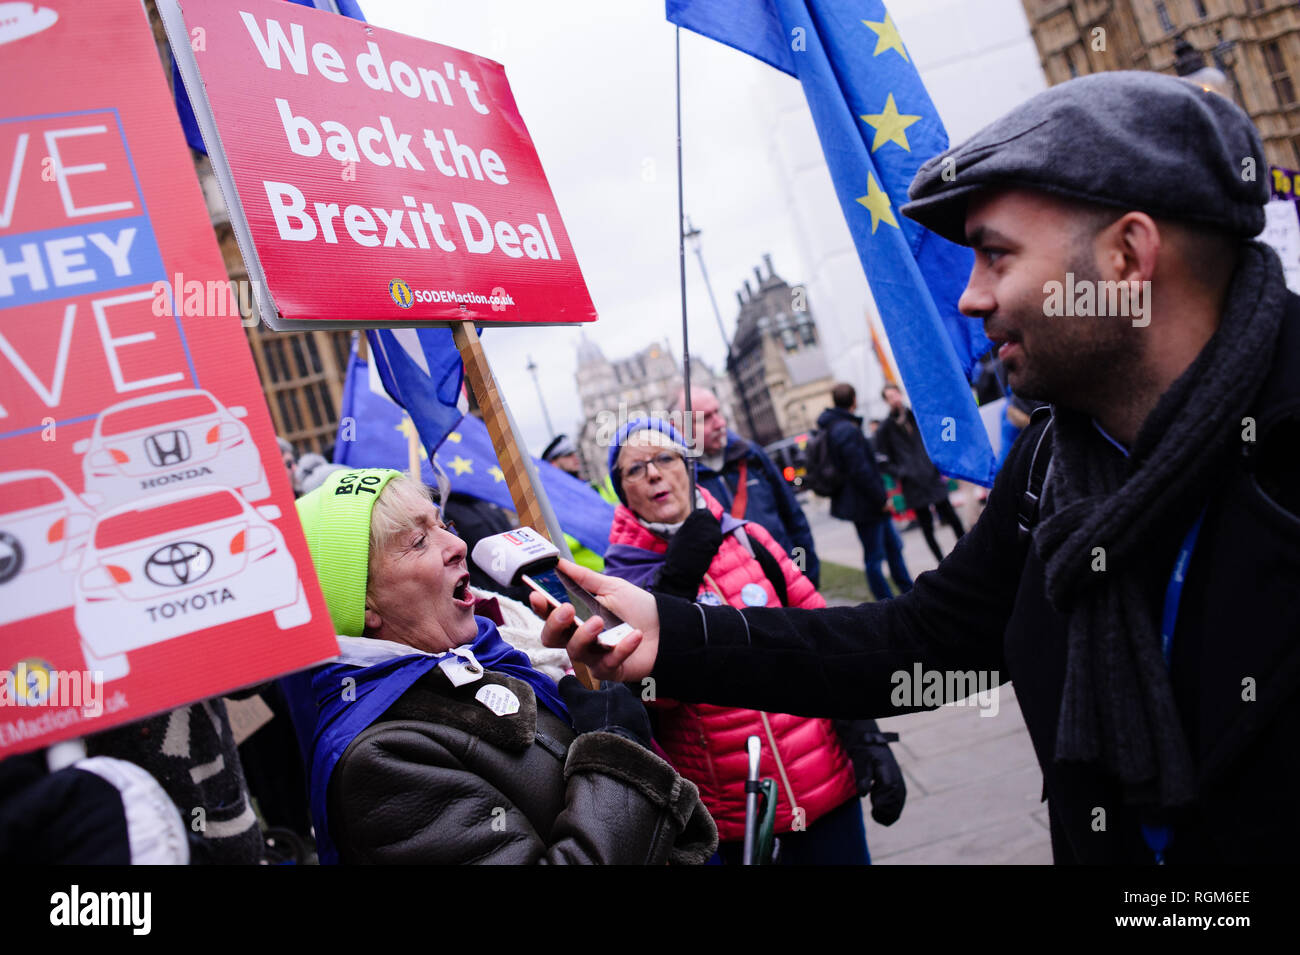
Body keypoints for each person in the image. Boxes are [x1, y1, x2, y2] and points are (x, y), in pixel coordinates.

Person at [537, 72, 1300, 864]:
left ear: (1127, 256)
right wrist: (682, 637)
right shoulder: (1052, 464)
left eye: (996, 256)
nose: (970, 298)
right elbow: (920, 646)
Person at [293, 468, 716, 865]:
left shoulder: (492, 658)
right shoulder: (379, 762)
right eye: (418, 541)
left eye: (444, 525)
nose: (458, 546)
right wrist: (616, 750)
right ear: (363, 602)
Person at [603, 418, 904, 864]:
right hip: (732, 817)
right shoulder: (620, 582)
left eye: (665, 458)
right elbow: (652, 700)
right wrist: (675, 586)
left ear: (689, 468)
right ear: (622, 490)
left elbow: (827, 639)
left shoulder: (750, 539)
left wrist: (867, 738)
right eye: (635, 468)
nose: (653, 473)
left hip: (824, 786)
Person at [672, 387, 821, 588]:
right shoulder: (679, 480)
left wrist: (805, 573)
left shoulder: (751, 454)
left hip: (790, 585)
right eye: (706, 418)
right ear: (678, 427)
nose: (720, 423)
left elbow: (793, 518)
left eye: (718, 412)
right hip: (740, 606)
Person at [817, 383, 914, 600]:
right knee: (875, 558)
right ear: (854, 400)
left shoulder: (838, 427)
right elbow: (860, 470)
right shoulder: (846, 430)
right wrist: (881, 499)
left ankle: (908, 591)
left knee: (893, 548)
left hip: (866, 504)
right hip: (867, 505)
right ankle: (886, 601)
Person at [874, 383, 966, 561]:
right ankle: (942, 561)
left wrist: (935, 462)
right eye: (889, 397)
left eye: (895, 395)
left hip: (930, 476)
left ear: (900, 394)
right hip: (912, 483)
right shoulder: (885, 429)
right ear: (886, 401)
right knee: (927, 526)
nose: (894, 399)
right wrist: (901, 472)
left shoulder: (917, 417)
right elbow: (882, 459)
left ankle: (966, 550)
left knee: (951, 517)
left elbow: (935, 439)